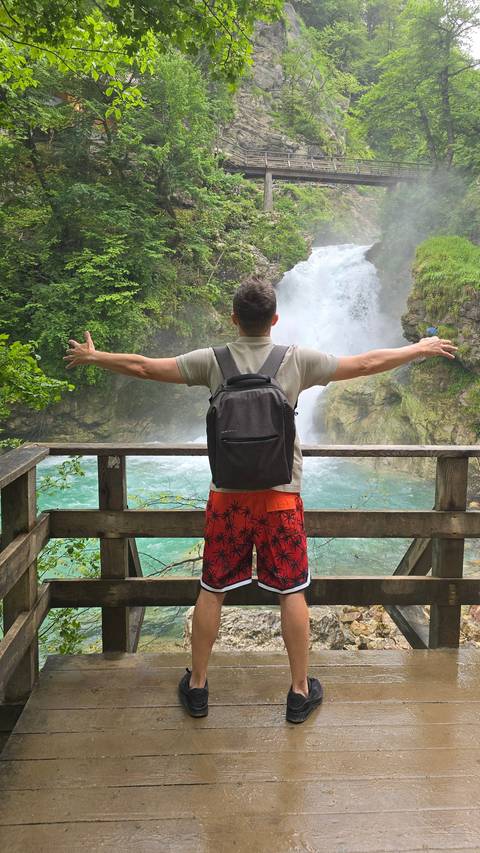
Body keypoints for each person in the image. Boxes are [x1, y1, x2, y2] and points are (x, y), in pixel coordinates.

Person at [64, 279, 457, 723]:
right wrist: (419, 349)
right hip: (281, 499)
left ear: (233, 319)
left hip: (227, 500)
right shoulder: (298, 359)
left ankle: (197, 687)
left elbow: (145, 368)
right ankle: (298, 691)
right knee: (291, 591)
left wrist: (96, 357)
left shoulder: (211, 361)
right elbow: (366, 362)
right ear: (274, 319)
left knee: (212, 588)